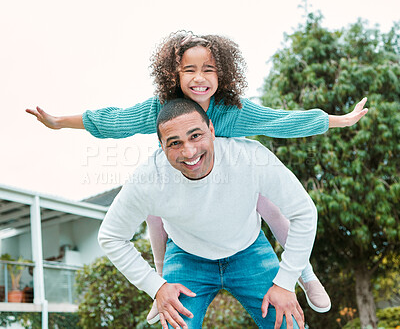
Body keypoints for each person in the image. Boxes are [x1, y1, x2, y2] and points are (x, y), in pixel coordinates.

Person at [26, 31, 368, 321]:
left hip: (236, 181)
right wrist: (59, 122)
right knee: (154, 211)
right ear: (174, 75)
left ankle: (305, 275)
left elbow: (282, 121)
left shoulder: (234, 111)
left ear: (223, 76)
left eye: (208, 70)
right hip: (184, 186)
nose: (198, 78)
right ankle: (163, 280)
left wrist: (338, 120)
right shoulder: (160, 109)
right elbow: (114, 121)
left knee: (273, 206)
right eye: (188, 70)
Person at [98, 98, 321, 328]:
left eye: (196, 136)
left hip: (248, 250)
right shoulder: (149, 179)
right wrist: (156, 286)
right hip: (187, 257)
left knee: (288, 324)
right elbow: (111, 236)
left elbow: (304, 211)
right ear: (161, 146)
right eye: (175, 143)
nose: (189, 151)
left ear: (212, 130)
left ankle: (308, 278)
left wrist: (285, 283)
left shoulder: (250, 157)